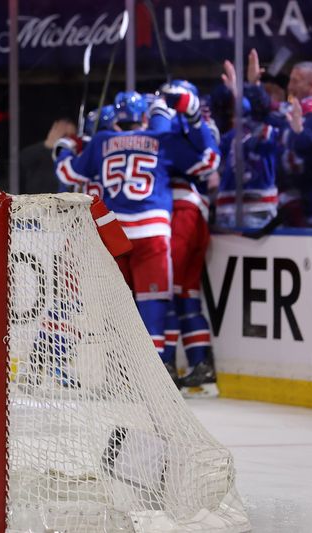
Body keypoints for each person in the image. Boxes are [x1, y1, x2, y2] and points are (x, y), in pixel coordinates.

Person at [56, 89, 220, 387]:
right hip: (152, 231)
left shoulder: (102, 141)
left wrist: (65, 146)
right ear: (146, 116)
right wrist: (194, 117)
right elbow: (208, 162)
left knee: (118, 304)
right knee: (156, 301)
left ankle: (119, 371)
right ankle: (155, 376)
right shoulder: (162, 140)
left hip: (112, 232)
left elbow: (67, 172)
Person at [148, 80, 222, 398]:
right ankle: (201, 368)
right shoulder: (206, 127)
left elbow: (209, 165)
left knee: (163, 292)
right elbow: (213, 166)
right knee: (186, 295)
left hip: (180, 213)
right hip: (199, 215)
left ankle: (164, 369)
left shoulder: (172, 132)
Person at [284, 61, 312, 227]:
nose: (290, 86)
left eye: (295, 81)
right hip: (291, 204)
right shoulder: (290, 113)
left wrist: (301, 132)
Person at [19, 118, 75, 194]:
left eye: (70, 137)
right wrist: (48, 145)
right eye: (63, 135)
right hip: (36, 201)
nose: (64, 140)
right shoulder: (39, 150)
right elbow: (22, 160)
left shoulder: (75, 157)